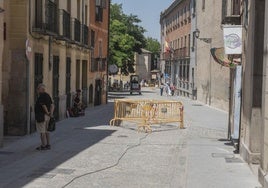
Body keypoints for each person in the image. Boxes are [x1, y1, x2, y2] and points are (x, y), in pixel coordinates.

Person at [34, 84, 54, 150]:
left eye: (38, 89)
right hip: (47, 117)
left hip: (42, 116)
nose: (37, 90)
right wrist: (50, 113)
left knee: (42, 132)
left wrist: (47, 112)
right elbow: (52, 105)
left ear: (41, 89)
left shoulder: (41, 96)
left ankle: (43, 145)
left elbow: (43, 105)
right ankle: (48, 144)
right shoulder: (48, 95)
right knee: (47, 131)